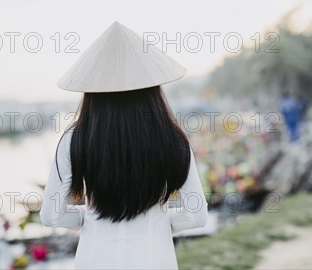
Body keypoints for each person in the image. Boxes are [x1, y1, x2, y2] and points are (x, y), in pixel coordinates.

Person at [40, 22, 208, 270]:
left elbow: (51, 214)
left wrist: (89, 218)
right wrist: (158, 223)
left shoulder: (75, 137)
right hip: (154, 259)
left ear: (92, 90)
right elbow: (196, 215)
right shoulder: (172, 137)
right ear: (152, 88)